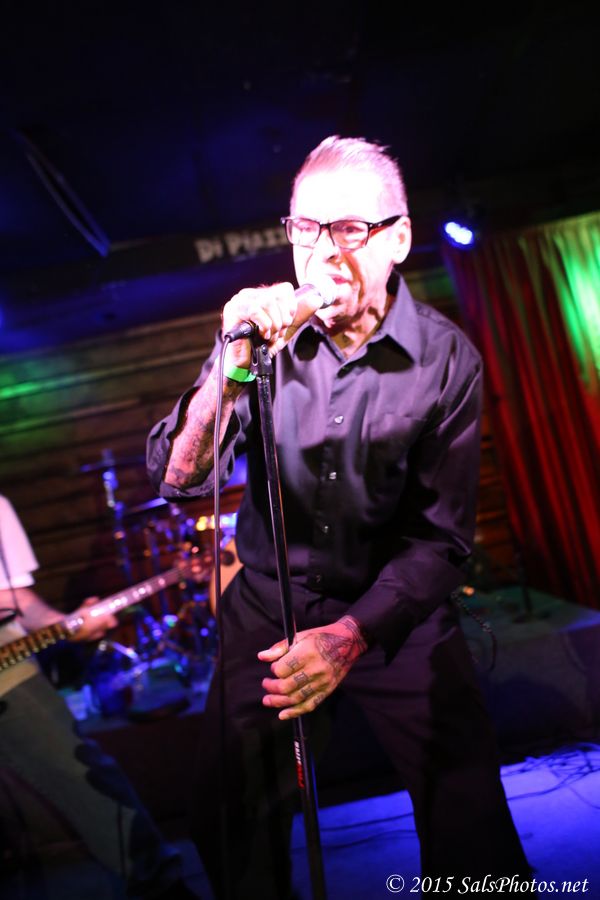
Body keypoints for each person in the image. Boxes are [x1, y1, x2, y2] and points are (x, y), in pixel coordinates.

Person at [146, 135, 535, 898]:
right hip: (270, 604)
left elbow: (441, 539)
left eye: (351, 229)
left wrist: (353, 635)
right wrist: (230, 365)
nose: (325, 253)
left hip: (392, 607)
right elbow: (178, 480)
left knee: (470, 817)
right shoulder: (261, 342)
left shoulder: (445, 361)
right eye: (306, 229)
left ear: (398, 238)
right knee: (228, 814)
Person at [0, 493, 200, 899]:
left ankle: (160, 885)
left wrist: (66, 623)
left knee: (83, 775)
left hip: (7, 662)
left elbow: (11, 599)